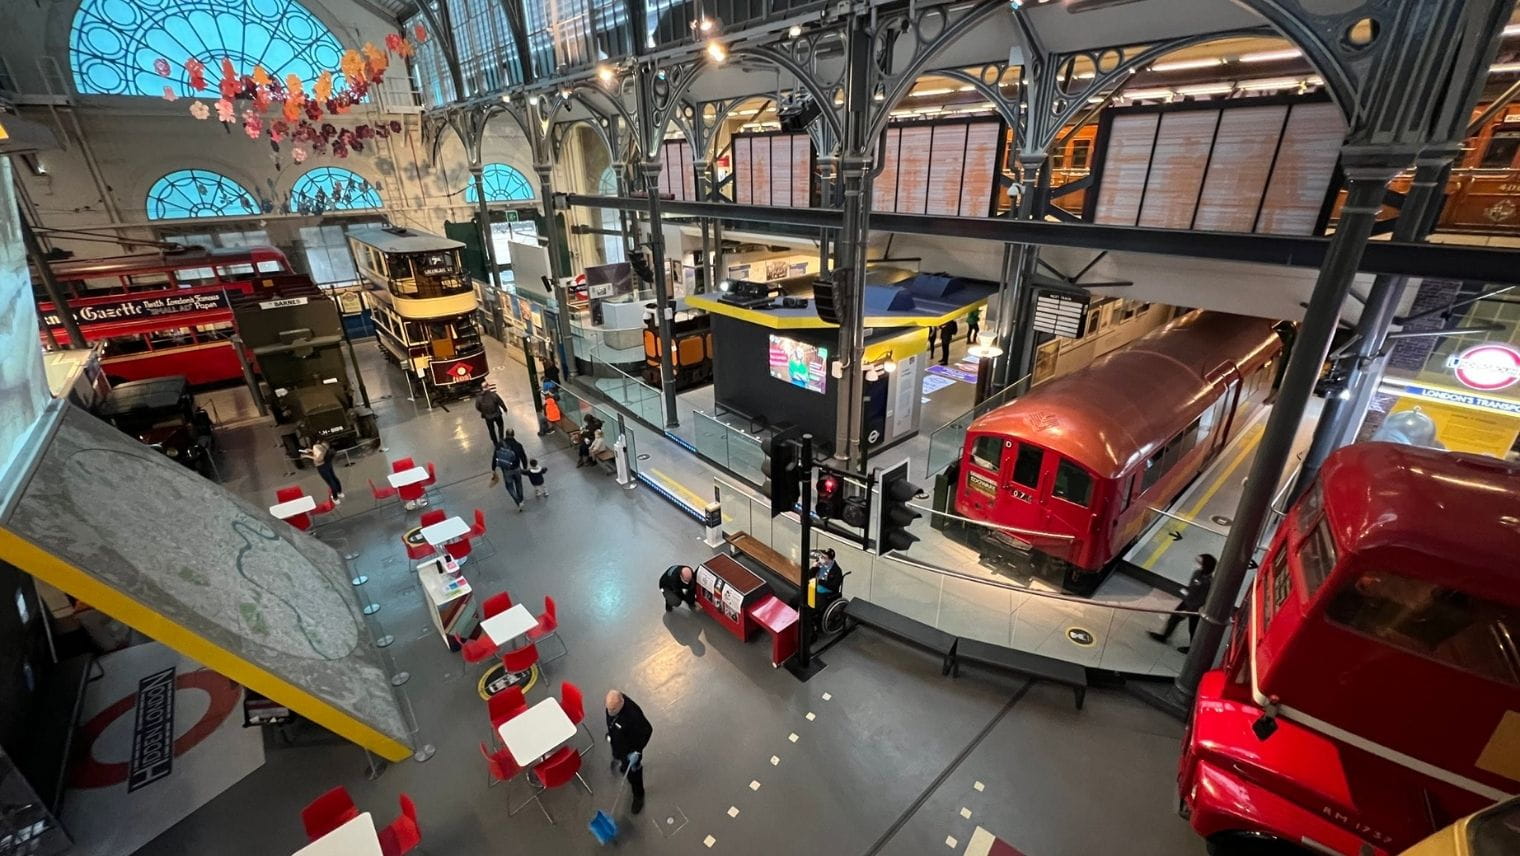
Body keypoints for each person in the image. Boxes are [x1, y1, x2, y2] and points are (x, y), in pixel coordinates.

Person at [1150, 554, 1217, 652]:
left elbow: (1201, 599)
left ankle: (1193, 648)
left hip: (1195, 607)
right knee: (1174, 619)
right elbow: (1192, 588)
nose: (1197, 565)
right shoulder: (1197, 573)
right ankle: (1164, 636)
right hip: (1187, 601)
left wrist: (1189, 609)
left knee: (1193, 628)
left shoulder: (1208, 582)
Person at [605, 690, 653, 814]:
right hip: (618, 744)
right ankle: (620, 760)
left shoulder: (633, 715)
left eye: (613, 709)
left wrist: (637, 751)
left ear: (621, 702)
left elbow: (647, 730)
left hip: (631, 751)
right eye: (608, 709)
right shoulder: (612, 706)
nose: (610, 712)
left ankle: (638, 796)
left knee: (634, 774)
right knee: (619, 758)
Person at [299, 437, 343, 503]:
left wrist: (306, 456)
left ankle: (335, 498)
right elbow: (320, 452)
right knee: (334, 478)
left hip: (321, 467)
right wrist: (311, 451)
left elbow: (318, 458)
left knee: (330, 482)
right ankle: (340, 493)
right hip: (328, 464)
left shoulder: (316, 446)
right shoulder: (325, 447)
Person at [487, 438, 526, 511]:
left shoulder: (499, 446)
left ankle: (518, 502)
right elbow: (523, 456)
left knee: (510, 487)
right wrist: (525, 466)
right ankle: (521, 499)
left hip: (506, 470)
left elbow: (495, 458)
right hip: (517, 468)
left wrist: (493, 468)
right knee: (519, 484)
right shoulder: (517, 445)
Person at [811, 548, 844, 633]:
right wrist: (813, 568)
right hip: (814, 588)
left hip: (826, 592)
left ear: (830, 559)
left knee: (810, 607)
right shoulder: (819, 565)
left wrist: (820, 582)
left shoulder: (837, 571)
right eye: (821, 556)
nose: (821, 558)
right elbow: (809, 577)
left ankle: (810, 629)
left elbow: (834, 586)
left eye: (824, 557)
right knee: (797, 599)